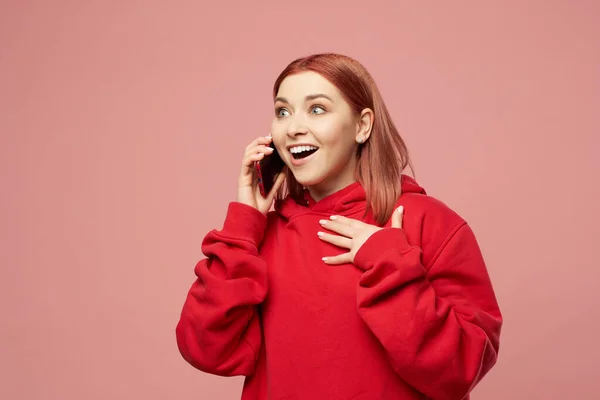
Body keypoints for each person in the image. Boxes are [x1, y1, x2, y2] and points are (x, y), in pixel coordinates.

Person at [176, 53, 503, 400]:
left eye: (317, 109)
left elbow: (459, 370)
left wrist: (389, 261)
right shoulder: (261, 238)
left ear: (362, 125)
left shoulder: (429, 222)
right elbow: (204, 348)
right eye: (282, 111)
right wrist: (244, 225)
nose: (293, 127)